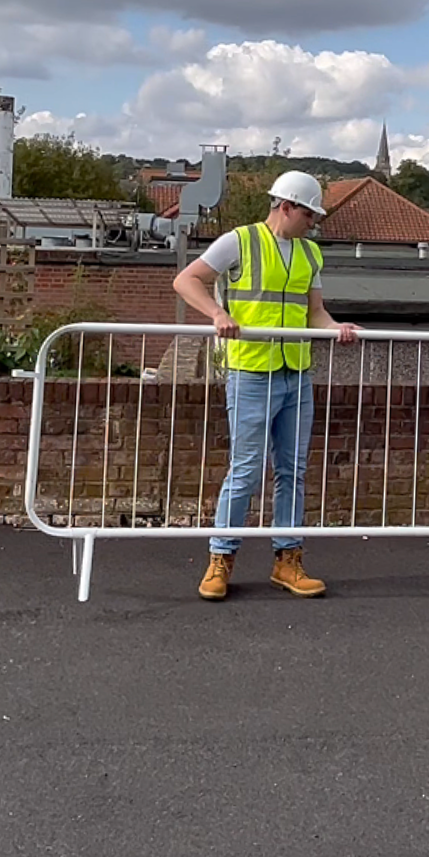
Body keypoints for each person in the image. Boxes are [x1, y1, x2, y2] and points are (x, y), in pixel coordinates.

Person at [173, 170, 360, 601]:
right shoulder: (240, 240)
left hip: (296, 371)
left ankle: (287, 559)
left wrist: (336, 328)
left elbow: (314, 312)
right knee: (246, 469)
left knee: (292, 471)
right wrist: (217, 314)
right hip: (251, 370)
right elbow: (186, 280)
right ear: (287, 206)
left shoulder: (311, 254)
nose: (313, 222)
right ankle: (221, 558)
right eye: (309, 213)